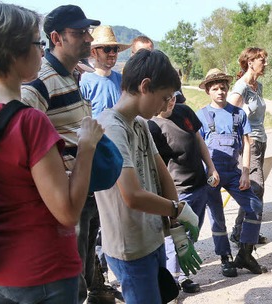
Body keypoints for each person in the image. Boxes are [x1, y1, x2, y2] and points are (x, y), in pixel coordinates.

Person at [0, 3, 103, 303]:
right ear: (14, 51)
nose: (42, 50)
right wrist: (87, 146)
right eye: (37, 43)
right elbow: (66, 212)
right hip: (42, 272)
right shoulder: (29, 120)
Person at [19, 5, 120, 303]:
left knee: (84, 268)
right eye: (79, 33)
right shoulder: (39, 83)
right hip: (65, 197)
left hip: (86, 192)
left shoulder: (72, 75)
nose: (88, 39)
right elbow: (25, 141)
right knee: (69, 282)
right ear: (56, 38)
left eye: (87, 32)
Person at [94, 49, 202, 303]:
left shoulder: (140, 123)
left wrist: (175, 229)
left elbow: (162, 173)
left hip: (151, 238)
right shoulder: (111, 127)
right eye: (164, 97)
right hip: (130, 249)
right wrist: (177, 209)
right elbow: (132, 196)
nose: (166, 106)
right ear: (145, 86)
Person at [197, 68, 267, 275]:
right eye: (215, 88)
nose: (220, 92)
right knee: (217, 216)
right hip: (211, 174)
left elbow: (247, 143)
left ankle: (245, 253)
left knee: (254, 205)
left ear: (228, 89)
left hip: (233, 171)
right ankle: (225, 257)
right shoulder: (201, 115)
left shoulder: (238, 113)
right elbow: (197, 146)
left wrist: (245, 172)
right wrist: (209, 169)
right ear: (208, 91)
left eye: (223, 88)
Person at [148, 94, 218, 292]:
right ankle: (173, 280)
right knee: (175, 237)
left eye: (173, 97)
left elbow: (199, 140)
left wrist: (211, 167)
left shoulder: (184, 111)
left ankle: (184, 275)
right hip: (177, 191)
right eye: (166, 97)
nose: (170, 101)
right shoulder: (152, 125)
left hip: (199, 185)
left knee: (192, 232)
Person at [228, 47, 269, 245]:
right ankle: (244, 233)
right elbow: (228, 116)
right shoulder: (241, 87)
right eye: (262, 59)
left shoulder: (257, 86)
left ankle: (242, 230)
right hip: (249, 144)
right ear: (250, 62)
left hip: (261, 141)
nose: (266, 63)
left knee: (254, 188)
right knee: (256, 188)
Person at [80, 25, 130, 118]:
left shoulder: (123, 81)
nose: (112, 53)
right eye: (107, 49)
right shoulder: (84, 82)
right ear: (94, 52)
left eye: (115, 49)